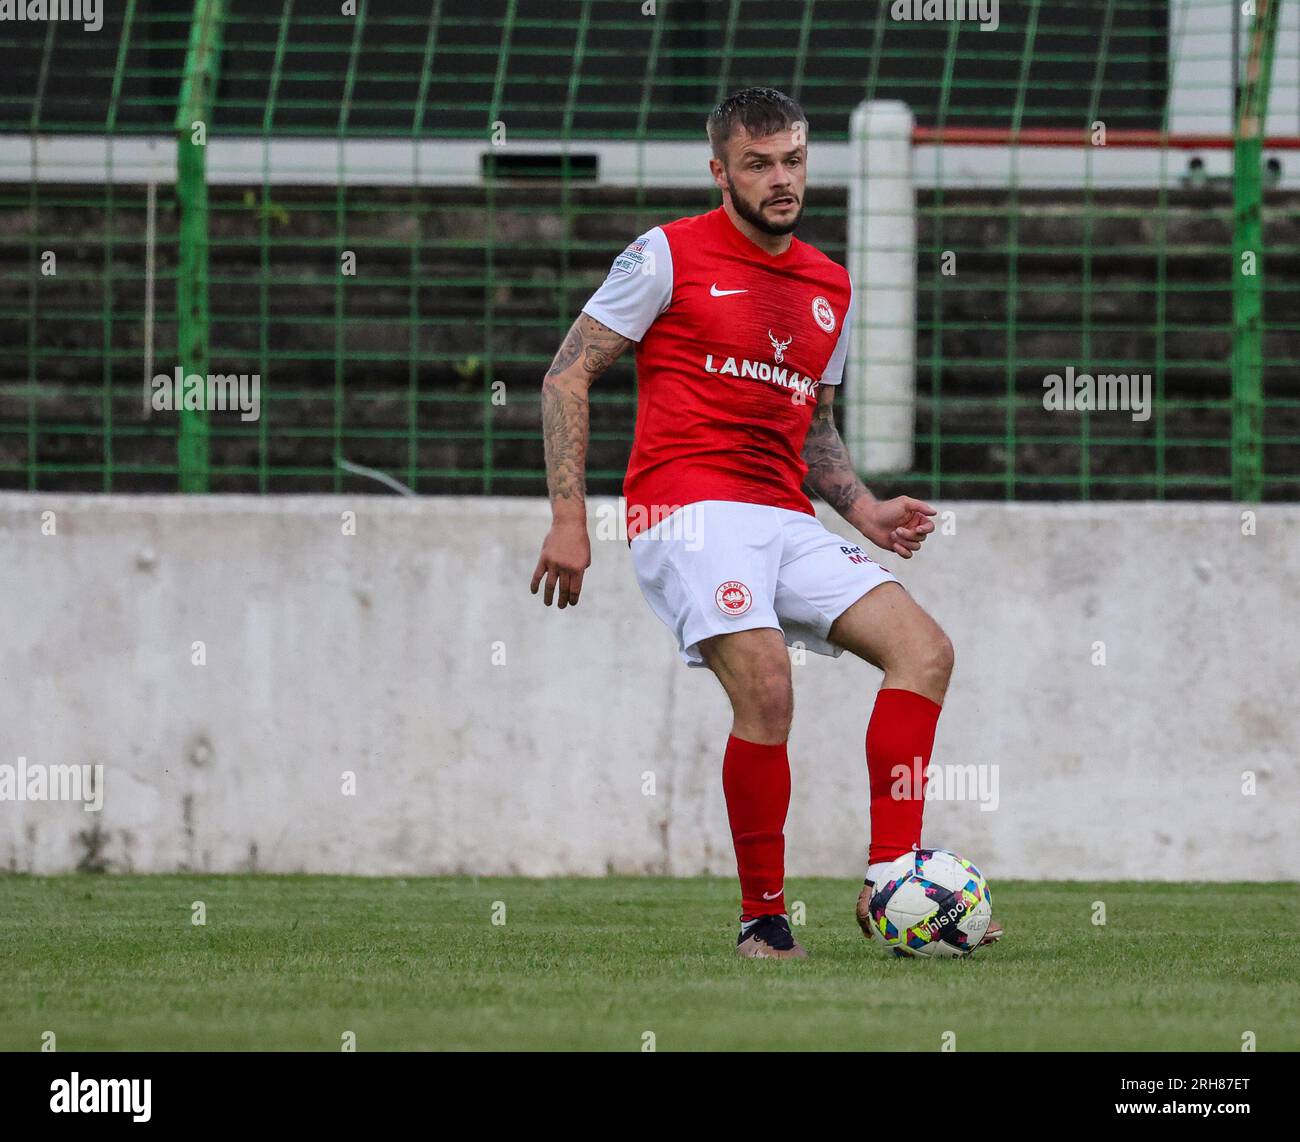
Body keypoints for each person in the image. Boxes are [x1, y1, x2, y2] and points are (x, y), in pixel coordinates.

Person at [531, 87, 1002, 959]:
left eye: (792, 160)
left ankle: (891, 878)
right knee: (768, 687)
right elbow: (567, 375)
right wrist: (570, 518)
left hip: (782, 509)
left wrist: (862, 508)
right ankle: (764, 921)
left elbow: (812, 422)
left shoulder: (831, 284)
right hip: (686, 507)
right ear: (721, 171)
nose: (780, 180)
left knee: (925, 651)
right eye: (758, 164)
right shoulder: (665, 255)